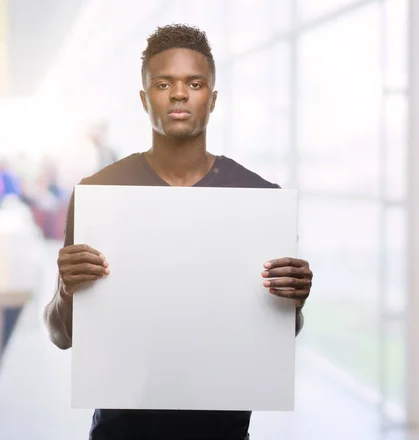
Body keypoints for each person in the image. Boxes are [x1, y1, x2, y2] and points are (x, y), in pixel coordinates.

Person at [43, 24, 313, 440]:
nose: (180, 94)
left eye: (195, 83)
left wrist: (293, 301)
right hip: (120, 432)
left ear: (213, 98)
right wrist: (65, 289)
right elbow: (61, 336)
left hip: (222, 432)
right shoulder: (99, 194)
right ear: (144, 98)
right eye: (163, 83)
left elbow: (280, 333)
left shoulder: (259, 199)